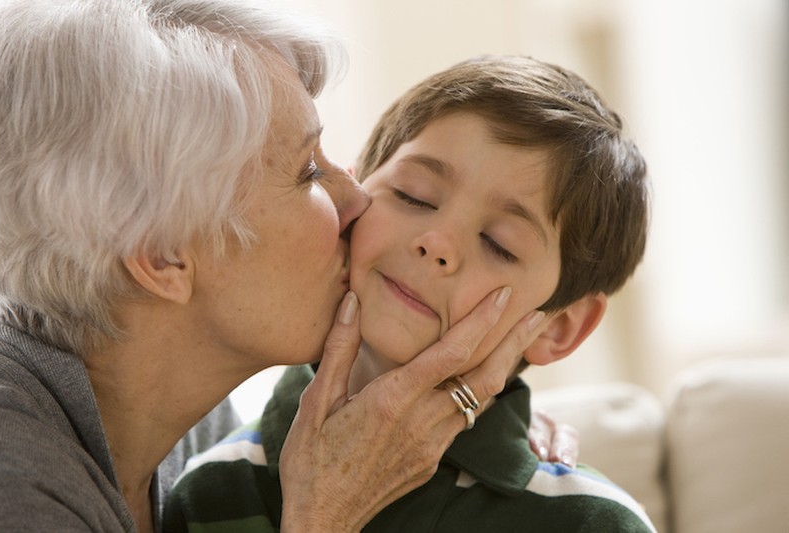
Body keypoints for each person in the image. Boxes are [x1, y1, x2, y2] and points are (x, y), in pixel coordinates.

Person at [0, 2, 566, 532]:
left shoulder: (189, 428)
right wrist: (326, 516)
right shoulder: (11, 485)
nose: (357, 199)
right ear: (162, 254)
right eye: (307, 174)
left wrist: (490, 428)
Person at [163, 55, 656, 532]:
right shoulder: (209, 489)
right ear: (355, 196)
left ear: (559, 326)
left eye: (498, 244)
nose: (437, 244)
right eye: (413, 195)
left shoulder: (591, 522)